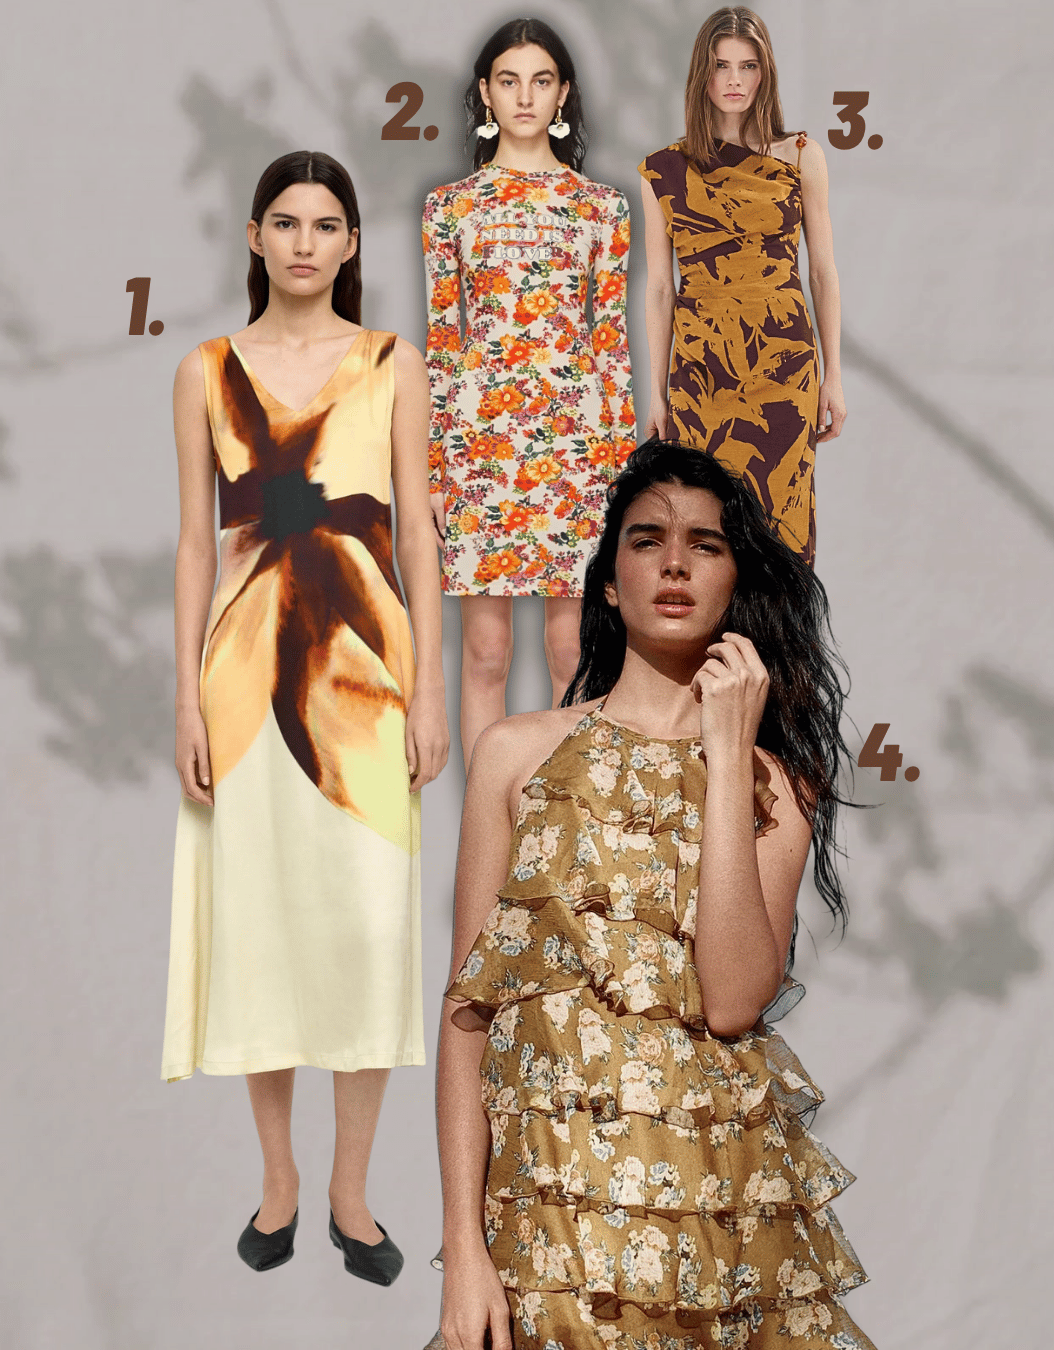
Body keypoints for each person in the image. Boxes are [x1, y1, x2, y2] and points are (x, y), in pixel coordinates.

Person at [428, 441, 876, 1348]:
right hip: (543, 1225)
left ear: (734, 581)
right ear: (606, 582)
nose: (675, 562)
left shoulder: (773, 783)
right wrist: (464, 1253)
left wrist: (724, 749)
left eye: (706, 544)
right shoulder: (514, 754)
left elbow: (735, 998)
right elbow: (468, 1013)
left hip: (716, 1222)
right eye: (646, 540)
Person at [161, 150, 448, 1283]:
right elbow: (195, 542)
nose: (304, 243)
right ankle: (280, 1179)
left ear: (352, 245)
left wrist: (429, 687)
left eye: (326, 224)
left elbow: (420, 534)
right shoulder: (201, 370)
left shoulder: (392, 364)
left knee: (367, 926)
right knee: (262, 926)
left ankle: (352, 1189)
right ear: (252, 236)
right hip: (239, 682)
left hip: (366, 674)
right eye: (284, 221)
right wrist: (182, 690)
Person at [423, 17, 635, 768]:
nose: (525, 96)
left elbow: (609, 343)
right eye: (509, 81)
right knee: (483, 651)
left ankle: (558, 814)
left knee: (570, 643)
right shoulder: (451, 207)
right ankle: (491, 817)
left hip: (577, 451)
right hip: (482, 449)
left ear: (564, 93)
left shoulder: (602, 208)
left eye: (541, 80)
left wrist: (622, 469)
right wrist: (436, 470)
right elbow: (444, 346)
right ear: (484, 92)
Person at [640, 6, 846, 565]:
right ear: (701, 75)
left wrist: (834, 377)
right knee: (704, 521)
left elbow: (822, 272)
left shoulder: (802, 155)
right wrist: (656, 393)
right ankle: (710, 653)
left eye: (747, 66)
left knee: (783, 515)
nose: (734, 80)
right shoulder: (662, 169)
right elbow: (661, 289)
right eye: (721, 65)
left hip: (783, 360)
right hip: (701, 363)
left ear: (765, 73)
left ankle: (776, 654)